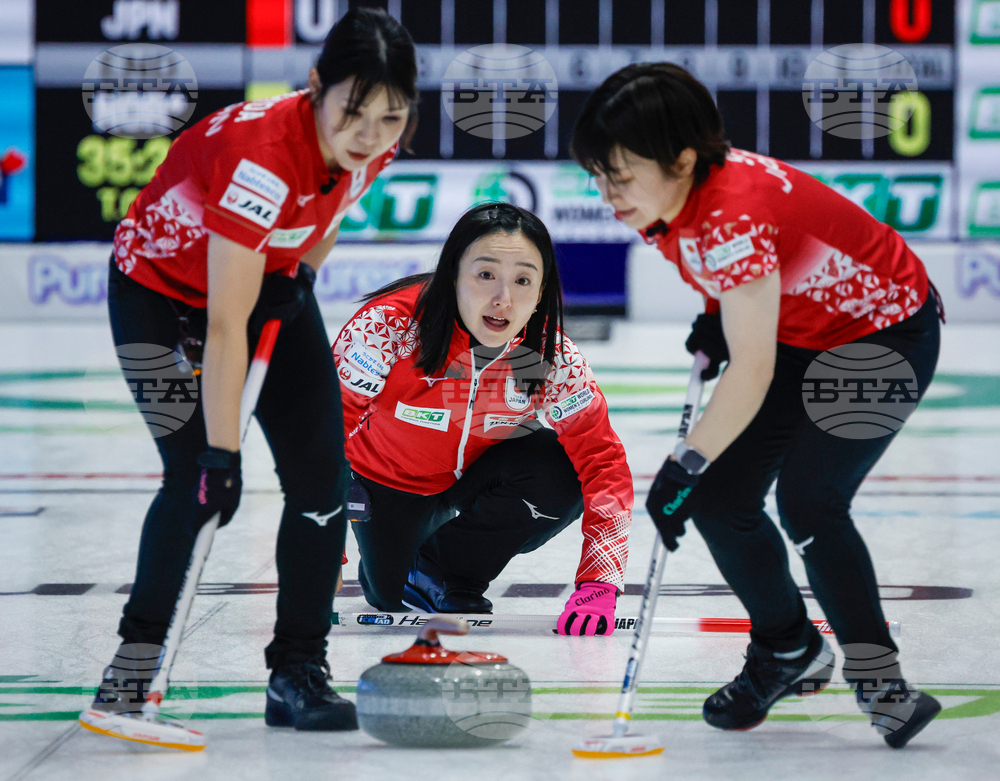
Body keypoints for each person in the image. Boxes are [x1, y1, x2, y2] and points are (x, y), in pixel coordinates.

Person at [571, 62, 943, 747]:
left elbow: (751, 370)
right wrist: (720, 312)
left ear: (682, 158)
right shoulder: (674, 197)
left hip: (883, 334)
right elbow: (749, 288)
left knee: (810, 502)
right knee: (720, 500)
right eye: (598, 175)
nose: (606, 193)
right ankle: (787, 646)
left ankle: (882, 681)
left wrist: (683, 464)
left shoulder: (730, 216)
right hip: (802, 332)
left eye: (619, 175)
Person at [93, 8, 418, 731]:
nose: (369, 134)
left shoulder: (376, 144)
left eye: (391, 117)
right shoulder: (262, 160)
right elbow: (223, 326)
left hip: (261, 280)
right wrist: (222, 455)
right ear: (315, 85)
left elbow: (334, 204)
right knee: (196, 481)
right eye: (353, 112)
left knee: (322, 481)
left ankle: (298, 668)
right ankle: (133, 666)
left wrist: (302, 274)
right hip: (158, 295)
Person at [331, 202, 634, 636]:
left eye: (523, 280)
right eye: (486, 274)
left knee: (564, 472)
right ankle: (410, 568)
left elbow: (604, 463)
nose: (502, 300)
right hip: (389, 479)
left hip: (482, 470)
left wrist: (600, 580)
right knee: (389, 596)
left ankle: (445, 570)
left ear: (541, 291)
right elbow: (325, 433)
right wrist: (323, 547)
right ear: (453, 273)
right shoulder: (388, 327)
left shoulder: (547, 355)